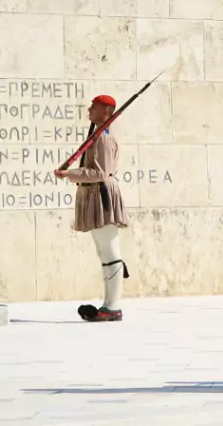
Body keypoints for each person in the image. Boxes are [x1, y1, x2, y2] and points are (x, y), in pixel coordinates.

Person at [54, 94, 130, 322]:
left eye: (94, 107)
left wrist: (70, 173)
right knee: (103, 253)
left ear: (106, 112)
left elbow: (101, 172)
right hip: (94, 195)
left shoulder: (104, 139)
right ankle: (108, 306)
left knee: (110, 252)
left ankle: (113, 306)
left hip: (102, 195)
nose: (89, 109)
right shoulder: (97, 135)